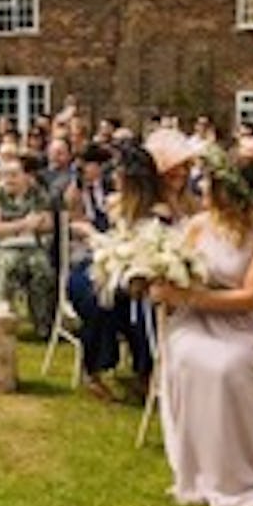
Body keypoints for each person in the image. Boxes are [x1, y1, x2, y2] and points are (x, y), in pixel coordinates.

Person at [149, 146, 253, 506]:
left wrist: (187, 296)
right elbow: (173, 265)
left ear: (233, 191)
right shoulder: (198, 224)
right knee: (187, 355)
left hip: (248, 327)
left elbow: (249, 297)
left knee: (228, 367)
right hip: (196, 323)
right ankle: (199, 469)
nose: (203, 190)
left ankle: (243, 473)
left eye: (210, 184)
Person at [65, 145, 156, 402]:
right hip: (94, 265)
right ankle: (94, 370)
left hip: (130, 268)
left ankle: (144, 369)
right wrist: (93, 235)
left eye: (117, 172)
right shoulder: (110, 200)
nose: (112, 176)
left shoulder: (151, 207)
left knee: (135, 300)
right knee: (100, 299)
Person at [0, 155, 56, 338]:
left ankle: (42, 322)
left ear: (25, 176)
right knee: (9, 264)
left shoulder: (37, 193)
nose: (9, 179)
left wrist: (28, 225)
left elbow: (48, 223)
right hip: (2, 248)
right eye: (5, 175)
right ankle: (3, 320)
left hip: (31, 246)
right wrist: (24, 224)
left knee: (43, 268)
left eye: (14, 175)